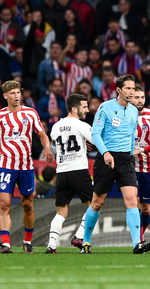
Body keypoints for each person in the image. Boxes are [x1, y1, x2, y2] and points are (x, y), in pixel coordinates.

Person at [0, 80, 53, 254]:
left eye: (18, 92)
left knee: (28, 204)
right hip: (5, 166)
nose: (16, 95)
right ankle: (6, 244)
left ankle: (27, 241)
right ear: (5, 96)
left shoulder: (30, 113)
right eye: (12, 93)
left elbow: (42, 134)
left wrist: (47, 147)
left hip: (26, 166)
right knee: (4, 205)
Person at [82, 74, 150, 254]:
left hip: (125, 161)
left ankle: (137, 244)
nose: (132, 91)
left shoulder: (134, 110)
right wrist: (105, 153)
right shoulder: (105, 107)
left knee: (132, 201)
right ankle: (86, 242)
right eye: (128, 88)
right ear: (118, 90)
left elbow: (130, 136)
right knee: (97, 202)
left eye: (133, 88)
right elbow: (95, 134)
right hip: (106, 158)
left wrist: (130, 153)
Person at [45, 94, 95, 254]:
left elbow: (55, 148)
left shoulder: (55, 126)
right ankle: (80, 236)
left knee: (61, 211)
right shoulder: (81, 125)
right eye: (84, 107)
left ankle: (51, 245)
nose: (87, 110)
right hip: (79, 171)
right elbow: (96, 139)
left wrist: (81, 145)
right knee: (94, 204)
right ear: (74, 108)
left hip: (62, 173)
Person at [130, 85, 150, 243]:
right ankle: (137, 240)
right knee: (133, 203)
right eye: (136, 97)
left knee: (147, 209)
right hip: (128, 167)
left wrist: (141, 149)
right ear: (130, 98)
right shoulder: (123, 115)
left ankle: (140, 234)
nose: (140, 100)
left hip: (147, 166)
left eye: (142, 97)